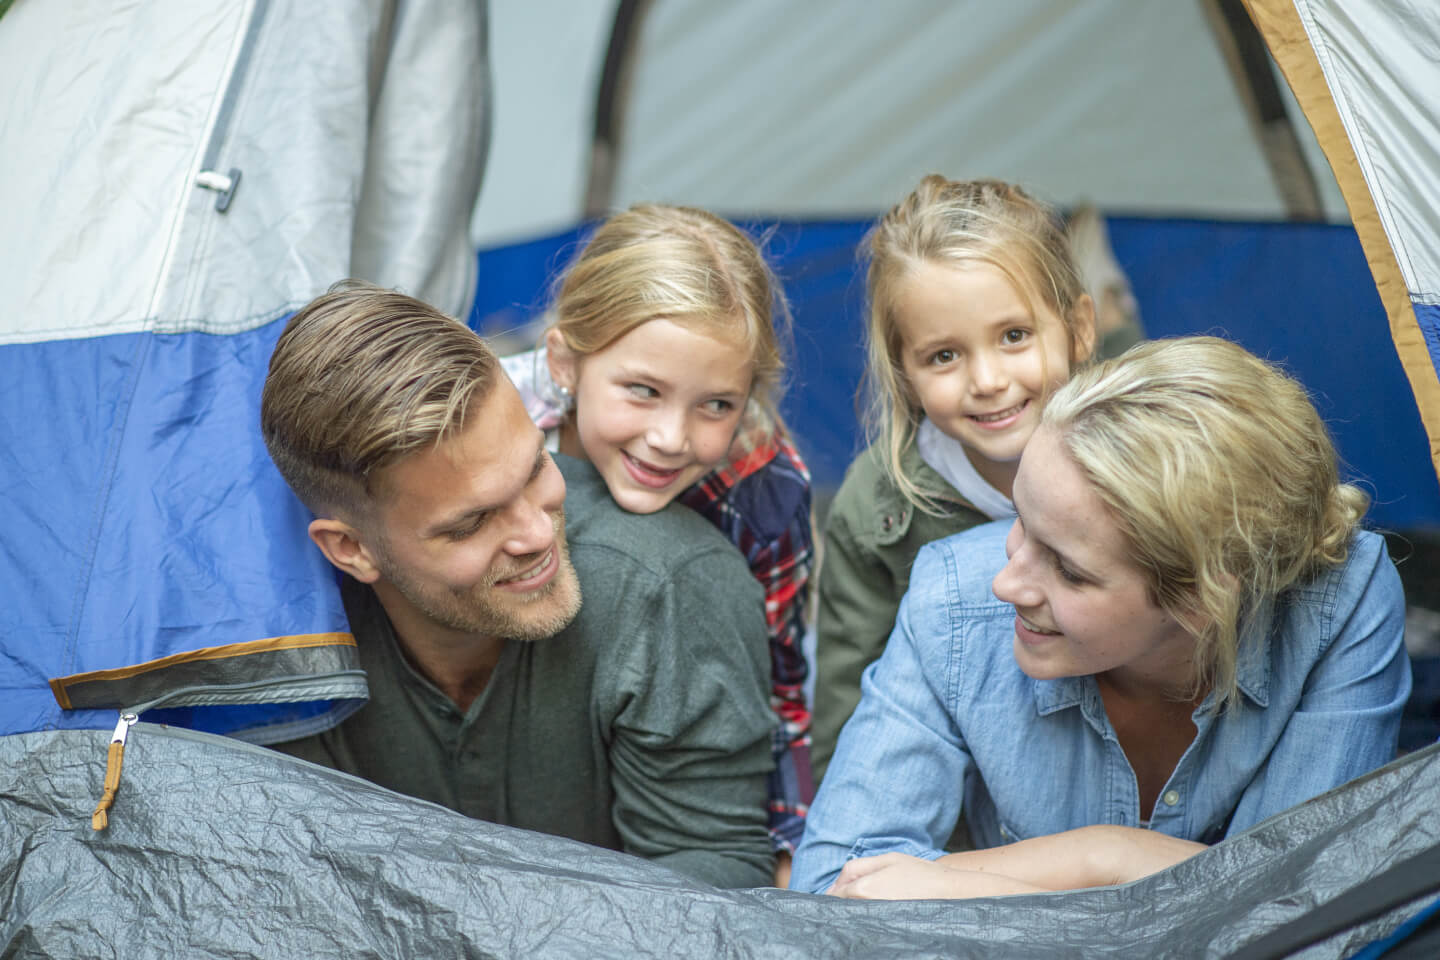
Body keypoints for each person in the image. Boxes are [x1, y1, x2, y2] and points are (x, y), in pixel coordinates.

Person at [791, 336, 1412, 897]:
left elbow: (1302, 901)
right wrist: (1166, 881)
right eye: (1019, 522)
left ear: (1203, 601)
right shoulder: (954, 601)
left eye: (1068, 570)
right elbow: (836, 888)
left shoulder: (1341, 602)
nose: (1007, 583)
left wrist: (1106, 857)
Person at [262, 281, 777, 889]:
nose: (536, 533)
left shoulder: (666, 586)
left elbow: (713, 876)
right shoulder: (264, 644)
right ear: (352, 550)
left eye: (536, 467)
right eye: (472, 522)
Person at [498, 204, 815, 878]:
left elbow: (780, 675)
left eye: (716, 405)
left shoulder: (765, 489)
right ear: (564, 361)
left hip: (673, 758)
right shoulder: (491, 425)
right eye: (643, 391)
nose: (672, 438)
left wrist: (787, 841)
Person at [811, 175, 1096, 782]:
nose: (987, 379)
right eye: (944, 355)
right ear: (904, 371)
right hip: (961, 785)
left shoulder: (1145, 460)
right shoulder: (876, 509)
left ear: (1078, 330)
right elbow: (850, 711)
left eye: (1014, 337)